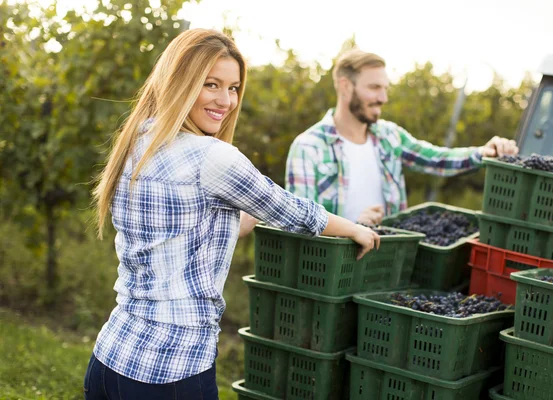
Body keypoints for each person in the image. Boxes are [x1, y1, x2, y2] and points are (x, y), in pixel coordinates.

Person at [86, 29, 380, 400]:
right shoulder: (212, 157)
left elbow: (192, 230)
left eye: (234, 88)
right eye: (211, 84)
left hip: (110, 359)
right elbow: (295, 212)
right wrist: (355, 228)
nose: (225, 100)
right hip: (171, 369)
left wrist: (252, 207)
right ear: (179, 82)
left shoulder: (139, 141)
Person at [285, 49, 519, 226]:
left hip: (387, 265)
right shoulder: (308, 147)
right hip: (333, 273)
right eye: (375, 87)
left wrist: (482, 152)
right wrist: (352, 227)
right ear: (345, 87)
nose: (383, 97)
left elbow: (436, 159)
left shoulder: (388, 136)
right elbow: (299, 223)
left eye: (386, 88)